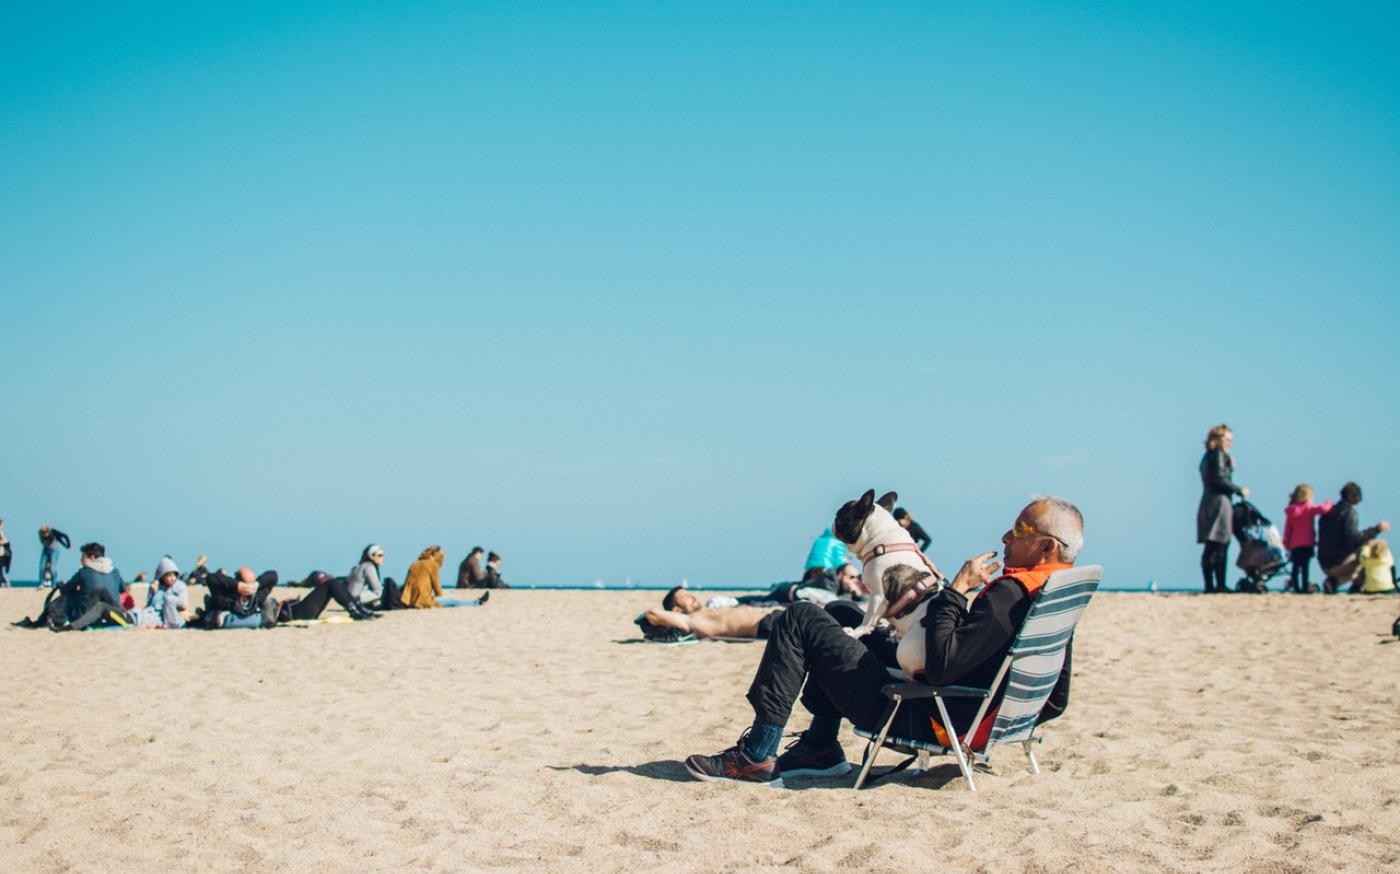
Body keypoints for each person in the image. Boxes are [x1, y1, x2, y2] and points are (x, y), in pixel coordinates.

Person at [683, 495, 1083, 786]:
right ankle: (821, 747)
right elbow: (1057, 698)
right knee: (841, 615)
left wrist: (956, 591)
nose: (1005, 536)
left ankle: (756, 754)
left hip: (924, 713)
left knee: (800, 617)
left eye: (1019, 531)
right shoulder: (1055, 590)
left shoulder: (1007, 596)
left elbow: (942, 664)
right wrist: (1008, 719)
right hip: (966, 711)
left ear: (1047, 546)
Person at [1197, 424, 1247, 594]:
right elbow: (1219, 479)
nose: (1229, 443)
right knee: (1220, 544)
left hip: (1208, 500)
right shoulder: (1218, 454)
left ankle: (1210, 585)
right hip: (1219, 502)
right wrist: (1239, 489)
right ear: (1219, 439)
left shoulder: (1207, 456)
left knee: (1212, 545)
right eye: (1227, 439)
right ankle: (1219, 585)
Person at [1317, 482, 1391, 593]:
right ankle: (1356, 585)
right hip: (1339, 563)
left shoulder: (1329, 511)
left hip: (1324, 562)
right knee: (1367, 554)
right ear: (1352, 497)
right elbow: (1352, 541)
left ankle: (1333, 583)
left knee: (1362, 549)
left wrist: (1365, 538)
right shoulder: (1349, 513)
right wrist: (1377, 529)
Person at [643, 588, 783, 640]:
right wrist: (672, 616)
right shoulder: (691, 620)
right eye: (684, 597)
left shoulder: (706, 610)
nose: (691, 596)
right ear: (676, 610)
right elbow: (651, 614)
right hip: (768, 625)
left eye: (689, 593)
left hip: (775, 616)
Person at [735, 563, 867, 606]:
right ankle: (735, 600)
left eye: (856, 578)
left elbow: (852, 602)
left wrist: (857, 594)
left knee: (768, 601)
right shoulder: (830, 581)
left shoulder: (842, 589)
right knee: (763, 599)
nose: (854, 581)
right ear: (840, 575)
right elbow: (831, 600)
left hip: (795, 592)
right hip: (787, 590)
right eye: (851, 577)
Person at [1282, 484, 1333, 593]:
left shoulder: (1291, 511)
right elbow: (1323, 509)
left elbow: (1288, 530)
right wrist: (1329, 502)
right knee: (1305, 567)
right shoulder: (1309, 508)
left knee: (1295, 567)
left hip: (1294, 544)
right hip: (1307, 542)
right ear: (1307, 497)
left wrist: (1286, 544)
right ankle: (1304, 587)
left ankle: (1296, 588)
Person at [132, 556, 194, 628]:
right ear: (163, 576)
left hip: (171, 616)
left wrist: (168, 598)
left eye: (174, 575)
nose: (172, 578)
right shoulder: (156, 586)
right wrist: (154, 593)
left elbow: (184, 606)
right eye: (169, 576)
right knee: (137, 612)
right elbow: (150, 606)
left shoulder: (180, 586)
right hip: (153, 614)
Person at [0, 518, 10, 587]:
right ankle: (4, 582)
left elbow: (5, 541)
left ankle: (4, 582)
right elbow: (5, 541)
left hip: (1, 553)